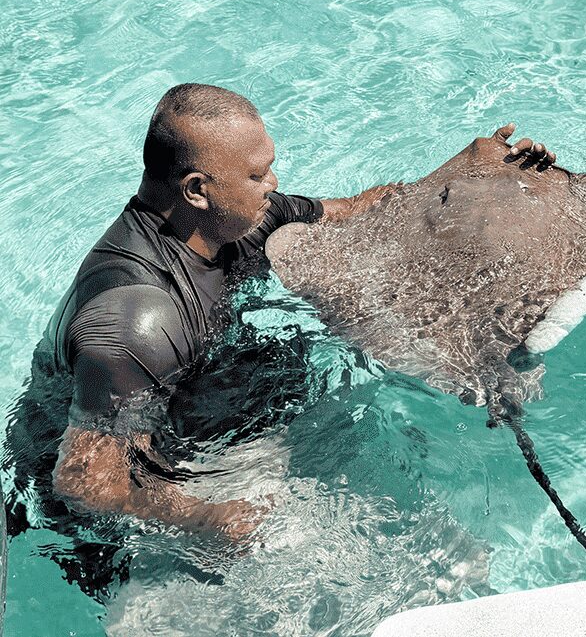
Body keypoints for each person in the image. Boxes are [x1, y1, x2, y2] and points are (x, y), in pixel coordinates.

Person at [2, 83, 557, 593]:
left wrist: (464, 170)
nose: (273, 185)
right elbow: (84, 481)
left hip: (196, 410)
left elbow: (356, 214)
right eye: (257, 175)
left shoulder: (237, 217)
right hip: (114, 515)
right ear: (197, 189)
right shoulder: (137, 319)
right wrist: (209, 519)